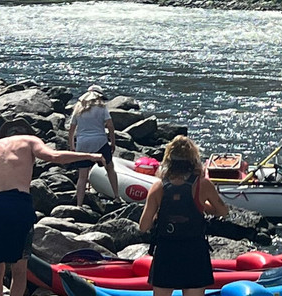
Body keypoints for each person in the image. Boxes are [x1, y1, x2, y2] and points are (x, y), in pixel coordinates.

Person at [0, 118, 104, 296]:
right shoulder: (30, 141)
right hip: (17, 205)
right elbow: (55, 157)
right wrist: (90, 156)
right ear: (27, 132)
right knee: (19, 268)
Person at [138, 136, 230, 296]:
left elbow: (143, 226)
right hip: (194, 251)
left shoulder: (158, 187)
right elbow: (223, 212)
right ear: (193, 160)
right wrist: (202, 206)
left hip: (166, 252)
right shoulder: (203, 184)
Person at [68, 84, 118, 205]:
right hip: (99, 142)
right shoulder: (102, 107)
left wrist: (72, 146)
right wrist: (113, 141)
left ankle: (79, 204)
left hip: (82, 143)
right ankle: (117, 196)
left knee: (82, 175)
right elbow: (110, 125)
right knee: (110, 168)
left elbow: (71, 128)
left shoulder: (78, 107)